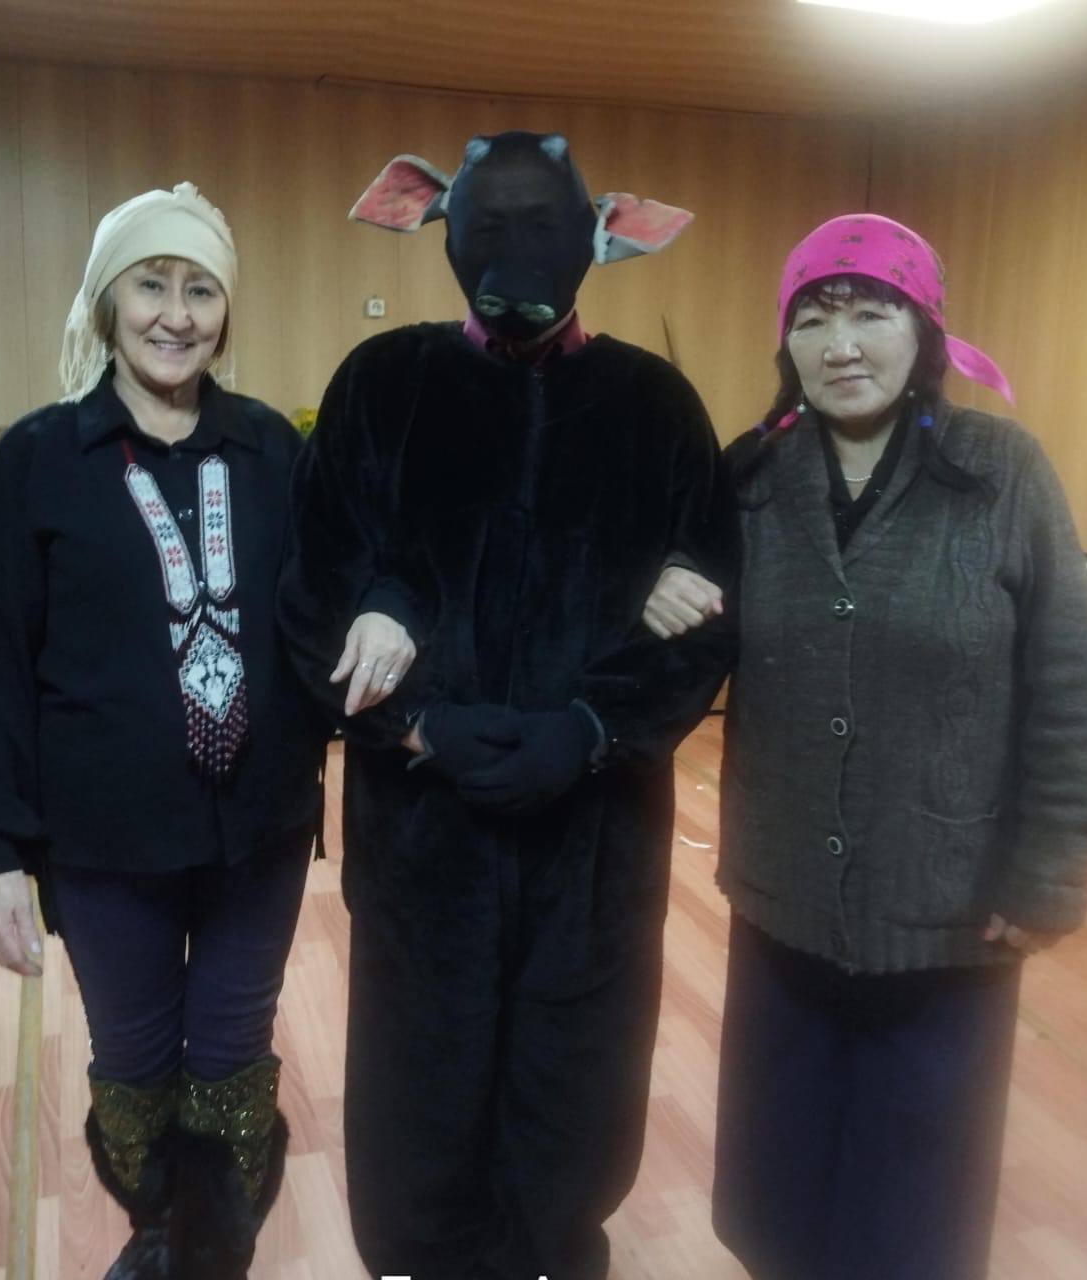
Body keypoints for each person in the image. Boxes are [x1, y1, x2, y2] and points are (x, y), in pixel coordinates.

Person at [277, 130, 740, 1280]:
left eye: (543, 226)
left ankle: (558, 1249)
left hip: (595, 835)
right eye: (488, 225)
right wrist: (418, 721)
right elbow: (317, 587)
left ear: (600, 236)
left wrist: (589, 728)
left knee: (578, 1062)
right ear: (436, 224)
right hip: (423, 828)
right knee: (420, 1063)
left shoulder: (655, 407)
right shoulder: (381, 387)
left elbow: (706, 612)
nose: (514, 250)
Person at [0, 182, 414, 1280]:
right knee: (136, 1062)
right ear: (108, 302)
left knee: (234, 1058)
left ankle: (212, 1254)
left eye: (200, 289)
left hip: (259, 828)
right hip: (104, 840)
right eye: (151, 285)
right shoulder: (42, 458)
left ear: (226, 310)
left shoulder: (272, 451)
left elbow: (359, 562)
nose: (175, 313)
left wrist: (388, 603)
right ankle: (160, 1235)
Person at [642, 212, 1087, 1280]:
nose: (840, 344)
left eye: (870, 313)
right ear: (785, 342)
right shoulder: (752, 474)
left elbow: (1067, 685)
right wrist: (659, 584)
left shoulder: (1000, 471)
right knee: (780, 1169)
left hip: (949, 896)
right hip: (785, 888)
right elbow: (679, 610)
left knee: (918, 1191)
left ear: (925, 329)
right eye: (812, 318)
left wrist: (1044, 872)